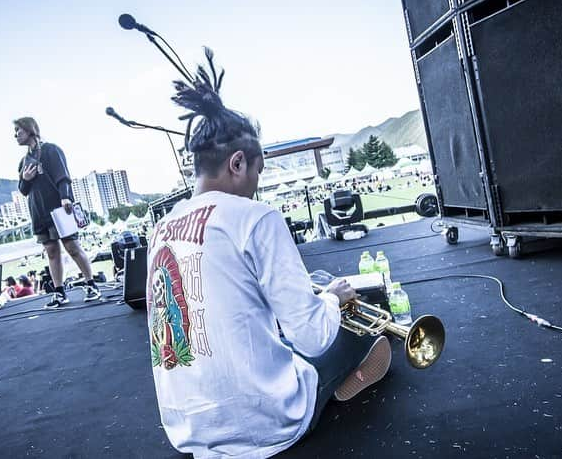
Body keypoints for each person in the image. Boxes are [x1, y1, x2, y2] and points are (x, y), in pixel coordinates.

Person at [145, 49, 392, 458]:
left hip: (187, 428)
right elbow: (311, 336)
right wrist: (332, 299)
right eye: (257, 174)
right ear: (238, 163)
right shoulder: (255, 217)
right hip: (263, 424)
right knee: (357, 316)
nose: (256, 186)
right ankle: (339, 380)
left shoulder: (161, 229)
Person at [14, 116, 101, 308]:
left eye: (18, 130)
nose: (15, 135)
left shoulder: (51, 150)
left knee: (72, 247)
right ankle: (60, 292)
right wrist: (26, 178)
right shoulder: (23, 161)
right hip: (38, 212)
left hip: (59, 208)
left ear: (29, 130)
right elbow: (23, 190)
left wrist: (65, 196)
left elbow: (63, 176)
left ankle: (91, 285)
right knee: (51, 252)